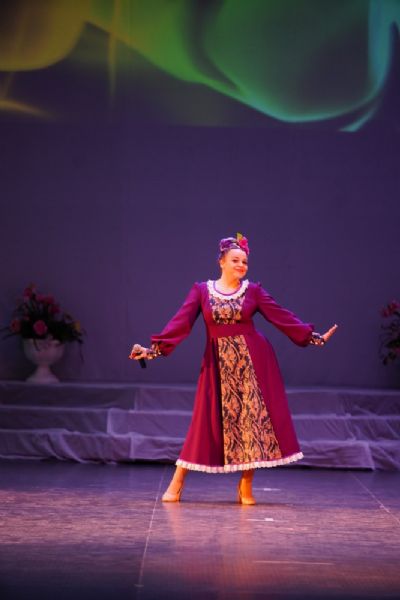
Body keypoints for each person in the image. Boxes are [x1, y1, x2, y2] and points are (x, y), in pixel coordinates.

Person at [129, 234, 338, 505]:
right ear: (221, 262)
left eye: (245, 262)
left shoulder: (253, 291)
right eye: (235, 260)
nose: (241, 265)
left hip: (253, 363)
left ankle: (245, 485)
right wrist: (153, 350)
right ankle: (177, 481)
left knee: (253, 423)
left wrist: (312, 337)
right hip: (217, 364)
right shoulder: (202, 291)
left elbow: (281, 316)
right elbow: (181, 322)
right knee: (204, 422)